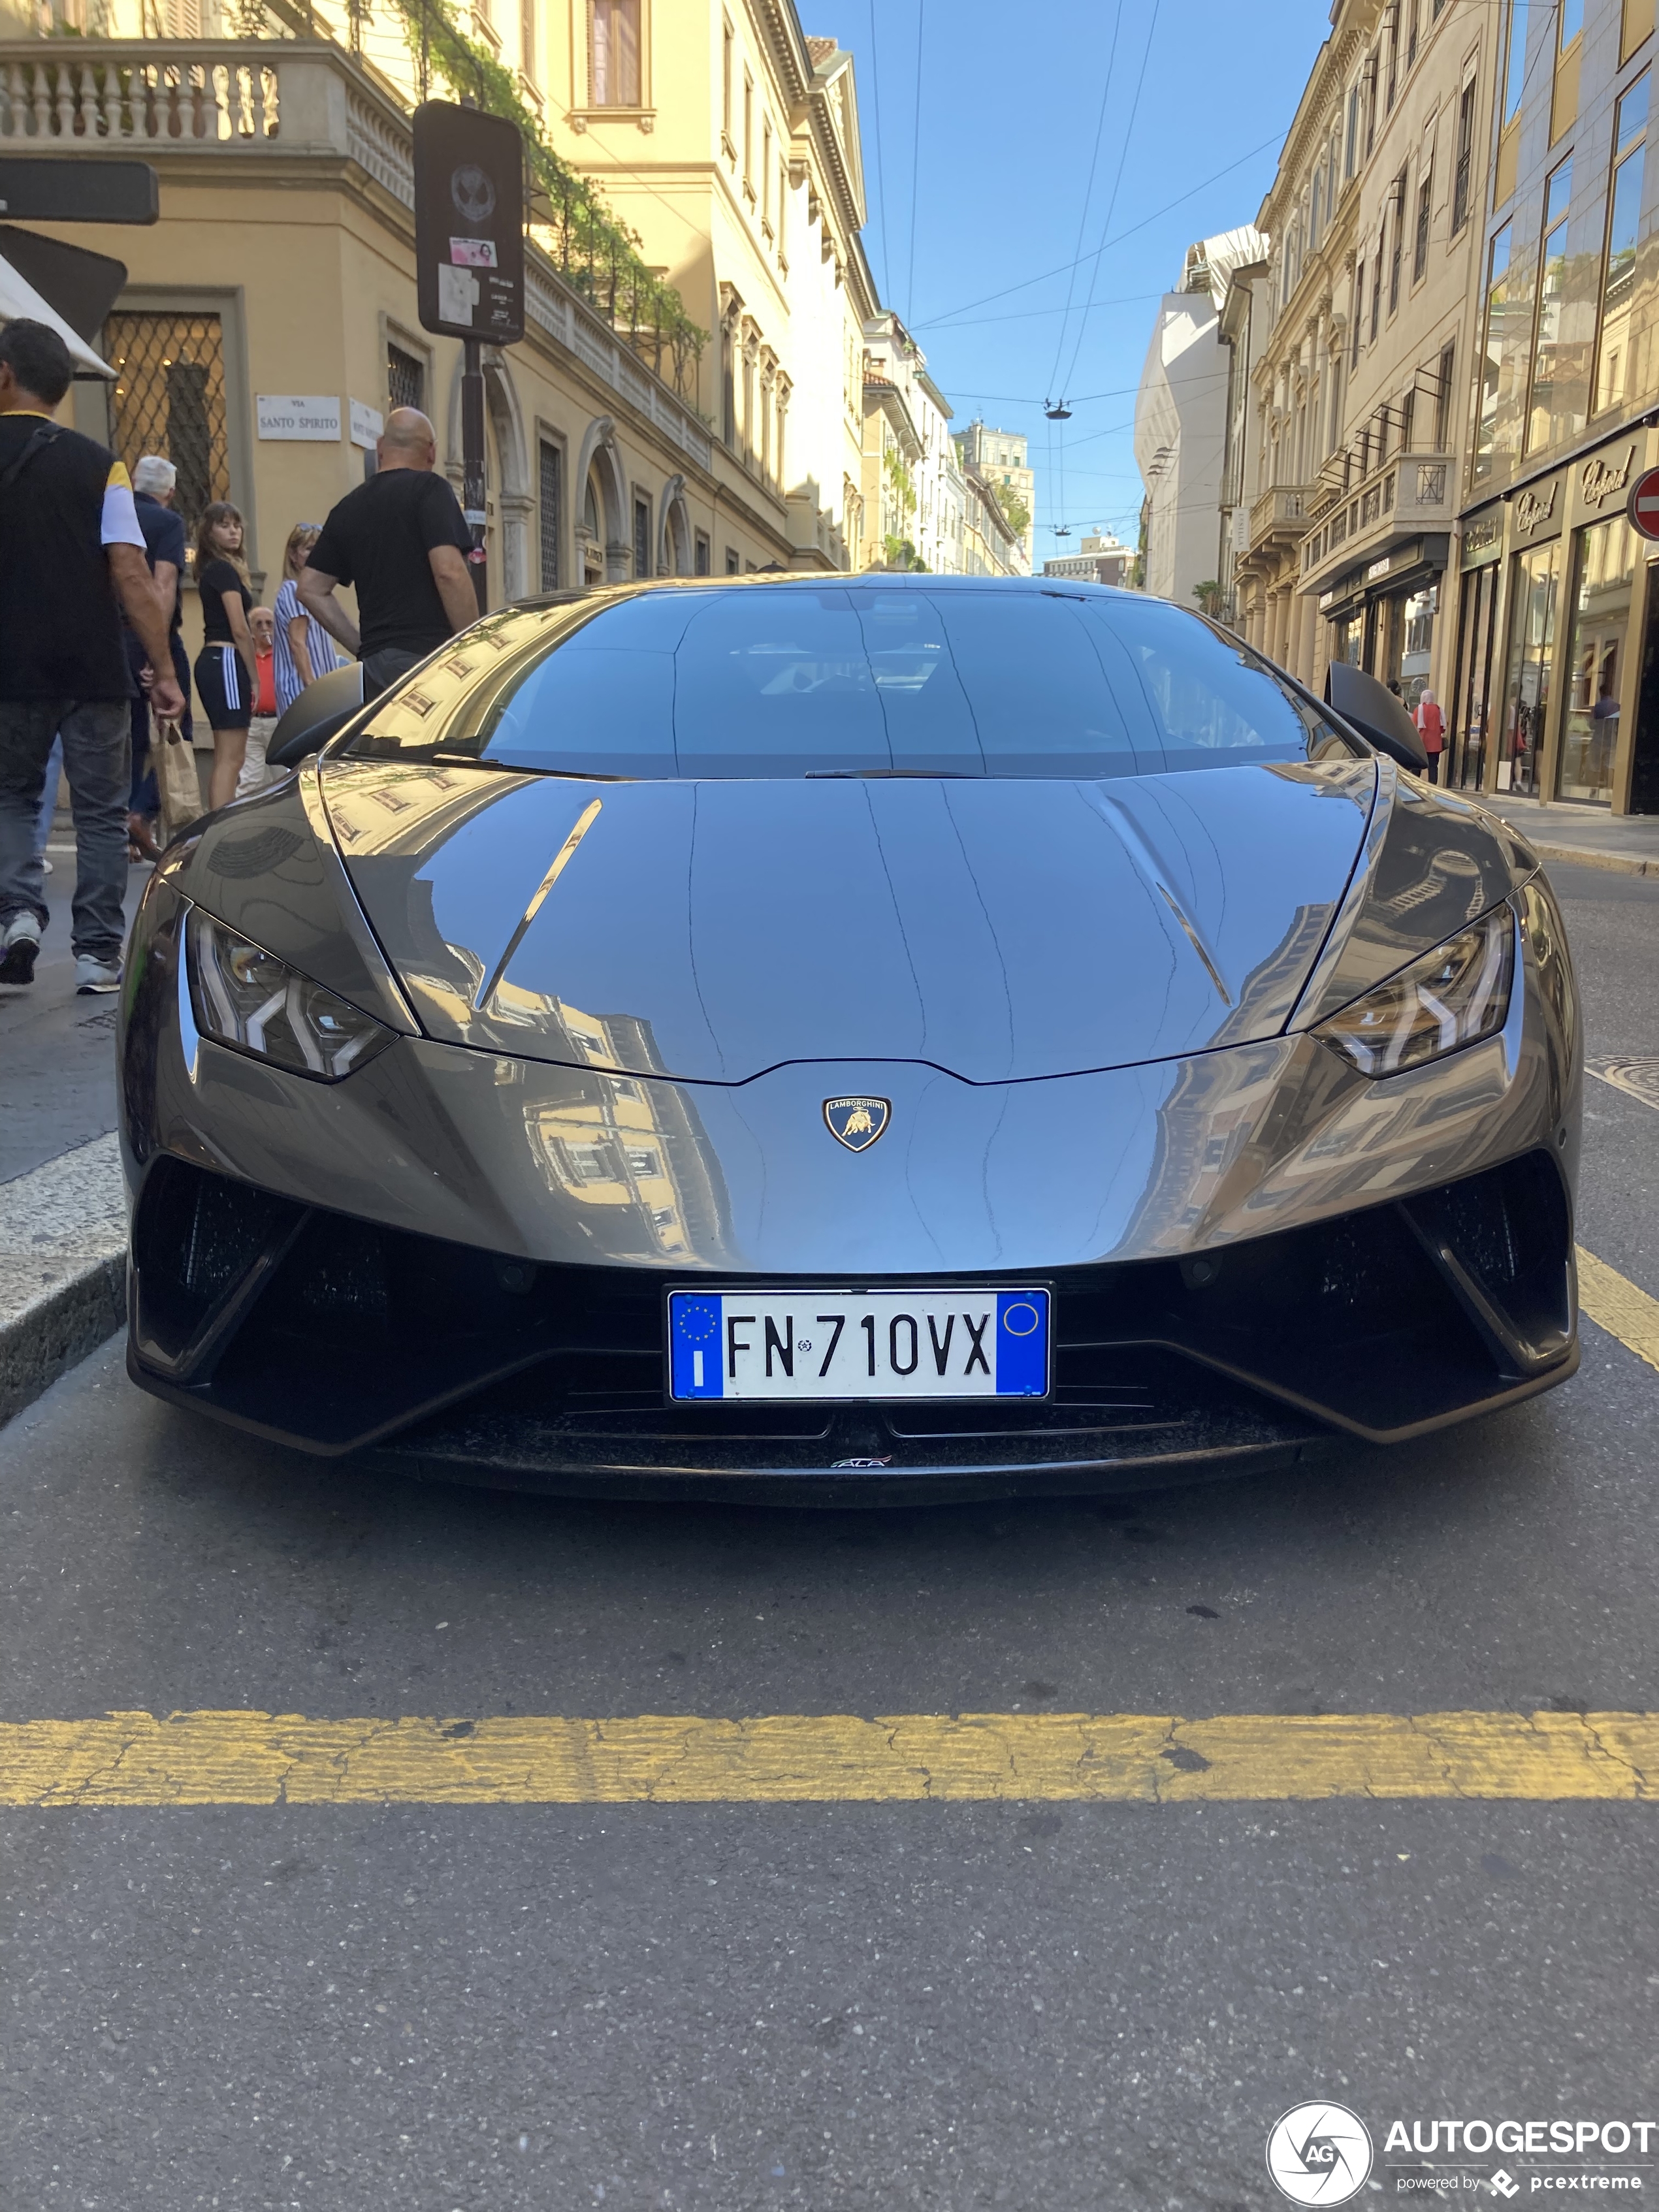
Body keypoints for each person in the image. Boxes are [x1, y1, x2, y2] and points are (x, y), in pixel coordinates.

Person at [0, 319, 184, 994]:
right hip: (92, 664)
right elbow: (131, 573)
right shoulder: (99, 464)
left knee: (13, 797)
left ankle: (16, 915)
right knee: (104, 810)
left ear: (3, 374)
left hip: (9, 668)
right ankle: (97, 954)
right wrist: (163, 671)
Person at [298, 407, 477, 698]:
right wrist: (472, 650)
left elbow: (309, 588)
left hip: (375, 671)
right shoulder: (431, 490)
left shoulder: (348, 507)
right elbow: (449, 573)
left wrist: (362, 646)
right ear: (431, 453)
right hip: (431, 661)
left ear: (380, 447)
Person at [126, 454, 191, 859]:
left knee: (130, 737)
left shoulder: (109, 515)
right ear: (169, 491)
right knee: (175, 723)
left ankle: (125, 827)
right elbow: (162, 587)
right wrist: (158, 655)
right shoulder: (168, 523)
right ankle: (142, 811)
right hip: (153, 636)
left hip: (112, 639)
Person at [193, 500, 258, 813]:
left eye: (236, 525)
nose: (234, 531)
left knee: (227, 755)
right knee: (232, 756)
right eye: (224, 525)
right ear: (209, 532)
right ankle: (221, 824)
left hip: (216, 661)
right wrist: (255, 677)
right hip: (227, 659)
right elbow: (240, 628)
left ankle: (220, 820)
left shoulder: (214, 570)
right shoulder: (223, 570)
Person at [272, 522, 343, 713]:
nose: (316, 554)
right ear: (294, 556)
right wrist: (311, 685)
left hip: (317, 689)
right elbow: (298, 644)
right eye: (309, 549)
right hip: (303, 690)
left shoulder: (309, 591)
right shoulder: (295, 591)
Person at [236, 604, 280, 799]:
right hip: (252, 725)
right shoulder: (245, 658)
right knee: (250, 780)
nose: (265, 628)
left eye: (269, 624)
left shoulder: (283, 657)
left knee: (282, 777)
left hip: (278, 723)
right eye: (259, 624)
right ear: (251, 630)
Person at [1414, 686, 1445, 783]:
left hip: (1421, 743)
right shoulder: (1438, 709)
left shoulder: (1419, 709)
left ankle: (1415, 785)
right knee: (1433, 767)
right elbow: (1443, 727)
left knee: (1417, 766)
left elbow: (1414, 724)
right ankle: (1433, 787)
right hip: (1436, 745)